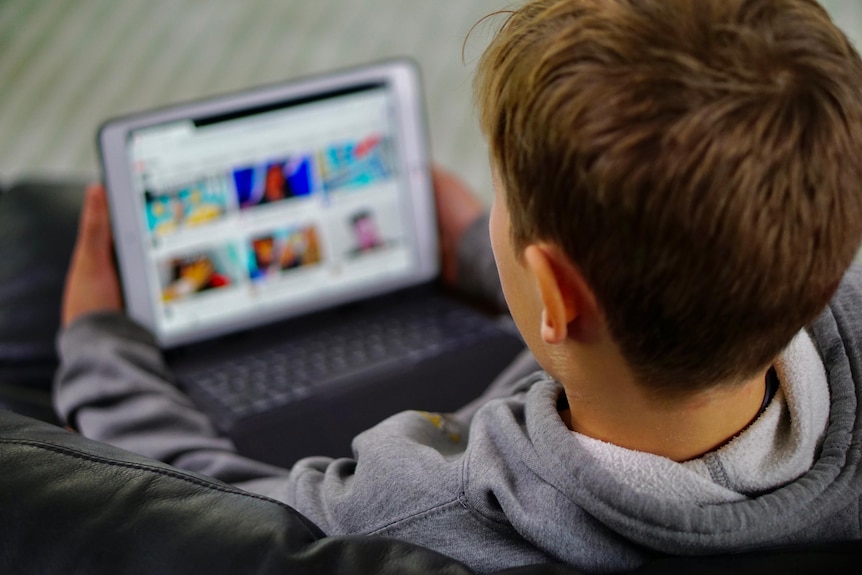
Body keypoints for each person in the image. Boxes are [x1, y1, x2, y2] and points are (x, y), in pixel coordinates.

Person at [54, 0, 862, 572]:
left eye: (503, 207)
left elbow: (198, 503)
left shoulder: (415, 516)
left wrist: (96, 334)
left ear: (555, 293)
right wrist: (481, 242)